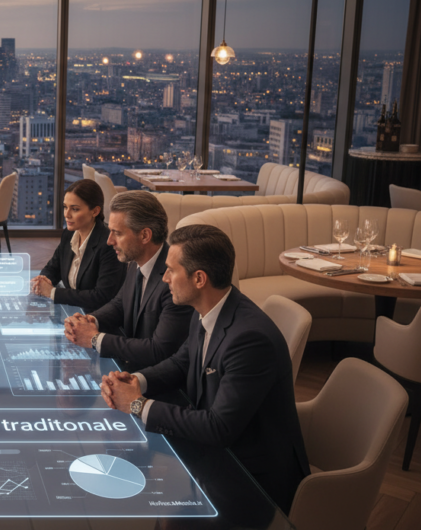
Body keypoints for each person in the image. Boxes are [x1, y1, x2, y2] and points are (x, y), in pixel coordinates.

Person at [100, 224, 309, 514]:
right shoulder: (210, 308)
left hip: (253, 484)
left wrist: (137, 404)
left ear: (199, 278)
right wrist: (136, 380)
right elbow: (181, 361)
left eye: (172, 270)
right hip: (212, 459)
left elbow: (218, 427)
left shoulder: (250, 340)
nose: (165, 278)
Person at [63, 191, 191, 371]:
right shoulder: (136, 261)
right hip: (132, 367)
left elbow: (158, 350)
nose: (109, 241)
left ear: (145, 236)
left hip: (160, 382)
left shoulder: (175, 280)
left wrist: (94, 339)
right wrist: (90, 320)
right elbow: (120, 304)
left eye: (117, 233)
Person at [31, 179, 125, 311]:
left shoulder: (108, 244)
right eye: (65, 207)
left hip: (98, 318)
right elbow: (53, 267)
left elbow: (102, 296)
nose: (67, 214)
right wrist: (43, 280)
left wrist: (52, 292)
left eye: (74, 209)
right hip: (73, 311)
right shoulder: (69, 234)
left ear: (95, 211)